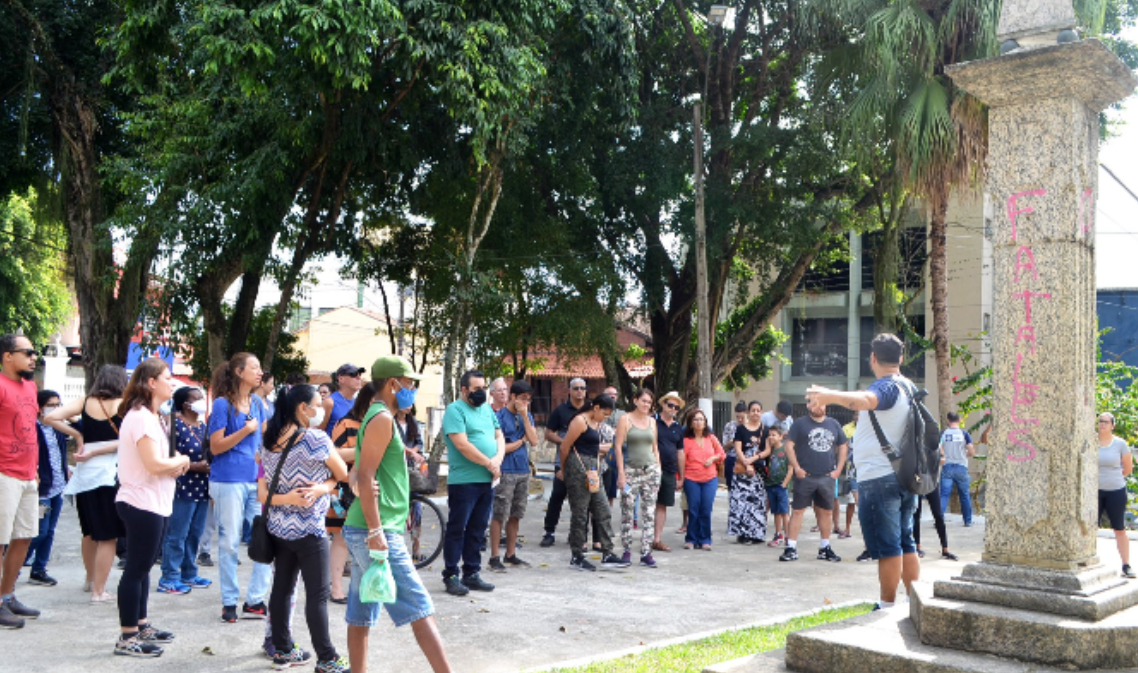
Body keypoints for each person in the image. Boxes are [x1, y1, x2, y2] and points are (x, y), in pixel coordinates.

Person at [344, 355, 454, 673]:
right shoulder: (381, 418)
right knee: (420, 607)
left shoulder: (379, 416)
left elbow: (360, 473)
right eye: (410, 383)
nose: (412, 390)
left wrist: (362, 490)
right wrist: (376, 531)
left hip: (369, 527)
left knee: (361, 613)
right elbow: (365, 475)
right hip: (375, 530)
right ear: (393, 384)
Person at [806, 333, 919, 609]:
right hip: (904, 475)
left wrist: (830, 395)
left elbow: (867, 399)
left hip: (880, 477)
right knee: (906, 541)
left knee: (888, 545)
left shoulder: (887, 386)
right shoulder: (909, 386)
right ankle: (911, 601)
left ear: (873, 358)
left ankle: (888, 605)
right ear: (901, 358)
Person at [259, 384, 351, 672]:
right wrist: (324, 487)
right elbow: (343, 472)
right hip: (310, 528)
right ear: (302, 408)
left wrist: (319, 487)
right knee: (317, 595)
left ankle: (282, 649)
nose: (321, 410)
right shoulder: (315, 438)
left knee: (282, 589)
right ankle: (327, 658)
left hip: (278, 528)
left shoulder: (269, 439)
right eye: (317, 404)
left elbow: (263, 489)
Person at [113, 357, 190, 657]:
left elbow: (163, 462)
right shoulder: (141, 417)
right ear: (151, 382)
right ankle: (127, 636)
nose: (172, 383)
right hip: (140, 501)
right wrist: (182, 460)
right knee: (136, 569)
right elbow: (155, 464)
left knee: (144, 568)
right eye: (167, 377)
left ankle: (141, 624)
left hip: (156, 501)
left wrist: (176, 463)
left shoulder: (155, 417)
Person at [49, 363, 129, 604]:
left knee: (90, 532)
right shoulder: (123, 404)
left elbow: (50, 416)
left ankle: (90, 580)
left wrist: (78, 435)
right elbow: (127, 440)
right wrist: (97, 450)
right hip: (109, 472)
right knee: (108, 535)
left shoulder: (85, 402)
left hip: (84, 475)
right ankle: (99, 591)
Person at [208, 352, 272, 623]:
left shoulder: (257, 402)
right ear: (238, 371)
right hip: (228, 480)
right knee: (229, 542)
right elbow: (216, 446)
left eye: (260, 368)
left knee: (265, 538)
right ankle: (229, 601)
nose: (260, 372)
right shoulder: (222, 404)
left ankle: (255, 599)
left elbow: (264, 437)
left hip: (255, 479)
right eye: (254, 367)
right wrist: (245, 430)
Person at [440, 370, 502, 595]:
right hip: (464, 481)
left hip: (487, 480)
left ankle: (472, 573)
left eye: (483, 388)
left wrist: (497, 460)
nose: (481, 393)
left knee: (477, 529)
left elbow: (499, 436)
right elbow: (462, 444)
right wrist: (489, 463)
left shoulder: (486, 409)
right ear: (464, 390)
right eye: (476, 389)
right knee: (457, 529)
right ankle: (451, 575)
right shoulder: (454, 410)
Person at [0, 335, 42, 629]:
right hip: (4, 472)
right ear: (7, 356)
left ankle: (7, 595)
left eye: (34, 352)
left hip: (27, 474)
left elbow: (30, 428)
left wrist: (35, 467)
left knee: (24, 536)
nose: (33, 357)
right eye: (27, 352)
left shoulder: (30, 387)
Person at [560, 394, 629, 571]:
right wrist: (564, 470)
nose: (604, 418)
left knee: (603, 509)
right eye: (604, 414)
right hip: (577, 467)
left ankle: (608, 552)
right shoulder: (580, 421)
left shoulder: (596, 423)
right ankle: (577, 555)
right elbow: (565, 447)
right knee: (580, 513)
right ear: (596, 407)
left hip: (594, 468)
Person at [158, 387, 212, 594]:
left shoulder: (203, 426)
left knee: (195, 533)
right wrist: (194, 466)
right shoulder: (174, 424)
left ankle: (189, 573)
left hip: (202, 487)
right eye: (196, 398)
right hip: (182, 486)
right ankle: (169, 576)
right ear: (185, 404)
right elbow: (170, 454)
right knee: (177, 534)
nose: (200, 401)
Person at [779, 400, 847, 562]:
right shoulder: (800, 424)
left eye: (822, 404)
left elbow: (843, 445)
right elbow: (789, 445)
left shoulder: (834, 424)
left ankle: (825, 547)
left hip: (826, 476)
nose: (819, 407)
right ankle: (791, 547)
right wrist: (796, 467)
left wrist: (838, 469)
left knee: (826, 512)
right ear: (808, 406)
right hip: (805, 476)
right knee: (797, 511)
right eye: (815, 404)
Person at [327, 383, 375, 603]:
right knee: (341, 537)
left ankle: (363, 588)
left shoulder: (379, 423)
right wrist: (363, 450)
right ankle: (336, 589)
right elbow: (333, 455)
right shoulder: (345, 423)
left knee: (366, 538)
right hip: (344, 489)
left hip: (370, 488)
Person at [488, 380, 538, 572]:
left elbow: (534, 440)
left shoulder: (527, 416)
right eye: (523, 399)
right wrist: (520, 441)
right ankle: (494, 557)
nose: (526, 403)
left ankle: (510, 554)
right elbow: (499, 448)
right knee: (499, 513)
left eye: (528, 400)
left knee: (516, 513)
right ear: (513, 397)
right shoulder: (499, 417)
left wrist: (525, 416)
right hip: (506, 470)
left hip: (522, 470)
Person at [25, 390, 69, 587]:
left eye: (58, 405)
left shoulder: (57, 427)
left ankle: (39, 569)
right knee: (39, 531)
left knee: (50, 531)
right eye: (51, 405)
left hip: (57, 486)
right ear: (39, 407)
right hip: (41, 490)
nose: (55, 409)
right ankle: (14, 563)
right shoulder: (32, 428)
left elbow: (80, 429)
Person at [615, 388, 661, 567]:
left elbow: (655, 446)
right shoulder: (625, 419)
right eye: (643, 401)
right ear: (635, 400)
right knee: (627, 511)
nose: (646, 405)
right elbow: (618, 447)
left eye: (649, 402)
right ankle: (626, 550)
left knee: (649, 512)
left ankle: (646, 552)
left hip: (651, 470)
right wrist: (621, 473)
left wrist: (658, 468)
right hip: (631, 470)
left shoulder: (652, 421)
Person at [540, 378, 589, 548]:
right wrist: (565, 442)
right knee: (557, 496)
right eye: (576, 388)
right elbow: (548, 434)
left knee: (581, 500)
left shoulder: (590, 409)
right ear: (569, 391)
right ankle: (549, 532)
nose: (579, 391)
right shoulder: (560, 411)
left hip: (584, 461)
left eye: (582, 388)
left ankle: (577, 533)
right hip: (563, 459)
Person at [681, 409, 725, 551]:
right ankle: (691, 539)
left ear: (705, 422)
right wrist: (680, 478)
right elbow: (681, 461)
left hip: (710, 479)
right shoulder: (686, 441)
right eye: (696, 419)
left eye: (701, 419)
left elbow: (722, 453)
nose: (699, 422)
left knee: (706, 509)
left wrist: (713, 458)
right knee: (693, 509)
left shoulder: (711, 438)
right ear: (691, 423)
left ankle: (705, 539)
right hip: (691, 478)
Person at [1097, 412, 1134, 578]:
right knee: (1089, 528)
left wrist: (1112, 479)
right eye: (1100, 421)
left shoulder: (1120, 444)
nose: (1102, 424)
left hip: (1116, 491)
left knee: (1119, 528)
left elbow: (1128, 468)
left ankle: (1126, 565)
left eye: (1106, 422)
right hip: (1094, 492)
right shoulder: (1091, 441)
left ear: (1112, 425)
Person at [727, 401, 769, 544]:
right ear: (748, 412)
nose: (755, 413)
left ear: (761, 412)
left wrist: (753, 459)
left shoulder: (765, 430)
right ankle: (743, 534)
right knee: (742, 502)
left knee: (757, 503)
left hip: (758, 471)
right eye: (753, 410)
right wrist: (746, 462)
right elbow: (738, 448)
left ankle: (756, 534)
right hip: (742, 471)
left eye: (758, 410)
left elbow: (767, 450)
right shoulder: (741, 429)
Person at [652, 391, 686, 553]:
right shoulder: (652, 422)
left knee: (662, 504)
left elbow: (680, 452)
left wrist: (681, 476)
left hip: (669, 471)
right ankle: (646, 537)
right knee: (648, 504)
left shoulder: (678, 427)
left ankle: (657, 539)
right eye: (670, 405)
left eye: (676, 407)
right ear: (663, 404)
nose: (673, 409)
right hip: (651, 469)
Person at [939, 412, 975, 526]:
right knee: (964, 495)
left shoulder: (943, 434)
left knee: (944, 495)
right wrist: (965, 455)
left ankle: (939, 520)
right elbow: (971, 451)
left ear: (948, 420)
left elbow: (938, 447)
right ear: (959, 420)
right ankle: (968, 521)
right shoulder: (964, 434)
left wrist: (943, 456)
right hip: (961, 467)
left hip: (947, 466)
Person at [763, 427, 791, 547]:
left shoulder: (786, 450)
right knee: (775, 512)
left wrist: (784, 483)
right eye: (769, 435)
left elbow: (790, 469)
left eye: (774, 435)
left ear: (780, 436)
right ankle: (778, 534)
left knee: (784, 511)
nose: (771, 437)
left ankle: (788, 536)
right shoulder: (769, 451)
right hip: (770, 484)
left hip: (781, 485)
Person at [913, 489, 957, 561]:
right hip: (917, 485)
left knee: (938, 516)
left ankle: (945, 550)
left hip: (932, 485)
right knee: (916, 516)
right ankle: (917, 547)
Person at [323, 364, 365, 433]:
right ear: (341, 379)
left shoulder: (358, 403)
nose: (359, 377)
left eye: (360, 374)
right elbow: (319, 431)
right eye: (353, 374)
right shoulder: (330, 402)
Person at [721, 402, 747, 491]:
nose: (740, 420)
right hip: (732, 459)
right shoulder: (730, 426)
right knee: (731, 487)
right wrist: (733, 441)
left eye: (742, 417)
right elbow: (724, 447)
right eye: (737, 417)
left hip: (746, 459)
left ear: (747, 414)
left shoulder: (750, 427)